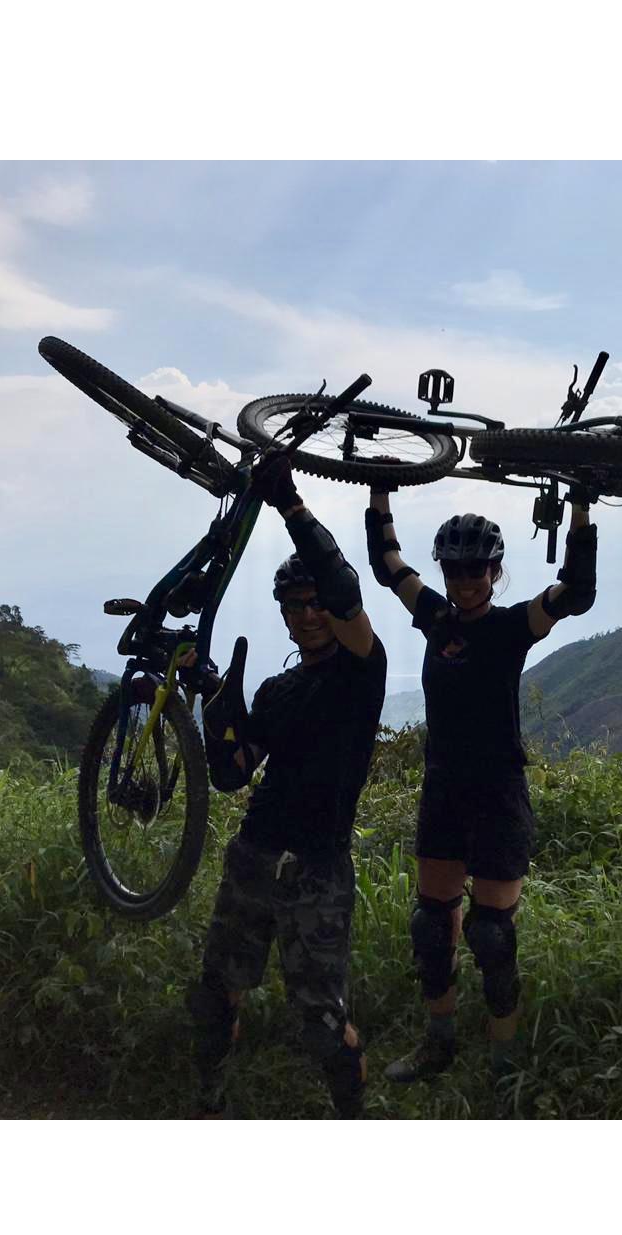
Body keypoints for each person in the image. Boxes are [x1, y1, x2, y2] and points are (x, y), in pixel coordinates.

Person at [364, 475, 597, 1086]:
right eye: (456, 570)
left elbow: (577, 591)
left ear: (495, 572)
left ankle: (503, 1064)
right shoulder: (435, 618)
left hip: (497, 797)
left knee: (493, 938)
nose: (466, 581)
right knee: (431, 927)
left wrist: (579, 507)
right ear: (445, 572)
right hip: (443, 794)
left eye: (479, 571)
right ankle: (438, 1044)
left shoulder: (513, 626)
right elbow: (387, 564)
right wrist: (379, 490)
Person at [184, 451, 386, 1119]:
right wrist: (215, 702)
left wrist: (292, 505)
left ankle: (352, 1117)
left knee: (322, 1021)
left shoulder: (363, 671)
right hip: (255, 856)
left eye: (316, 603)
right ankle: (208, 1099)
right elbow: (233, 775)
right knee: (218, 992)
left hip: (318, 869)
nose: (309, 614)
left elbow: (345, 587)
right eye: (295, 605)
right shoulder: (276, 689)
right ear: (283, 612)